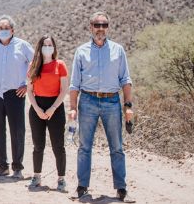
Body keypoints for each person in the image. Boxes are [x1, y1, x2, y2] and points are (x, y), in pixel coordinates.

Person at [69, 11, 134, 202]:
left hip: (111, 101)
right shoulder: (81, 51)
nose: (100, 29)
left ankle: (121, 189)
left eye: (104, 25)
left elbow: (125, 80)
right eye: (97, 25)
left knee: (117, 147)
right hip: (87, 101)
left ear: (108, 27)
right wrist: (72, 108)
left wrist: (128, 106)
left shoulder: (118, 50)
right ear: (90, 27)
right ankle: (82, 188)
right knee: (84, 147)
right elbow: (74, 84)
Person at [0, 15, 34, 179]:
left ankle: (17, 168)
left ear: (12, 30)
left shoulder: (22, 46)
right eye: (0, 28)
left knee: (17, 131)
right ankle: (2, 166)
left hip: (15, 92)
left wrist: (27, 84)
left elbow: (36, 62)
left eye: (6, 28)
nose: (3, 31)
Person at [27, 35, 69, 192]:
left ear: (54, 47)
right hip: (37, 107)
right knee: (38, 145)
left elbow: (64, 90)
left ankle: (61, 179)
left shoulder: (60, 65)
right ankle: (36, 176)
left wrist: (52, 109)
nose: (47, 47)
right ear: (40, 47)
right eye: (44, 45)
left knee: (58, 146)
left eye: (50, 45)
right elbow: (30, 91)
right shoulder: (33, 66)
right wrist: (38, 109)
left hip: (56, 108)